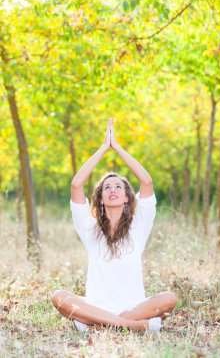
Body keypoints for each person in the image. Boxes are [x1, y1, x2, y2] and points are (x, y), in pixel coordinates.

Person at [51, 118, 177, 333]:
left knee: (169, 299)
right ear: (100, 198)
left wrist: (117, 148)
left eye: (119, 186)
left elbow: (146, 182)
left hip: (134, 307)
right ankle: (132, 327)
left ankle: (97, 326)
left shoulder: (139, 225)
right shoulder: (90, 229)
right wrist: (102, 149)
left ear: (127, 197)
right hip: (96, 307)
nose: (113, 189)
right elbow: (76, 184)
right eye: (106, 187)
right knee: (58, 297)